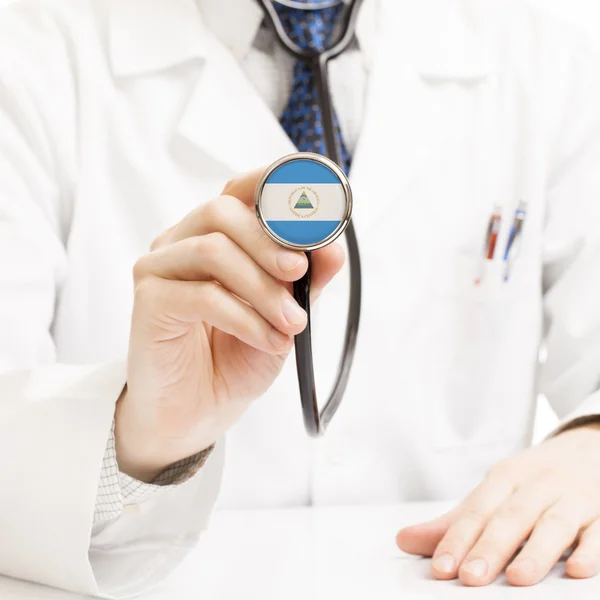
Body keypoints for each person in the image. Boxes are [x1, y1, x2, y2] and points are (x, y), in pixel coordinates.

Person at [1, 0, 600, 596]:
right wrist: (144, 442)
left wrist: (591, 441)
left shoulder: (550, 61)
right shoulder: (30, 56)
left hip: (459, 578)